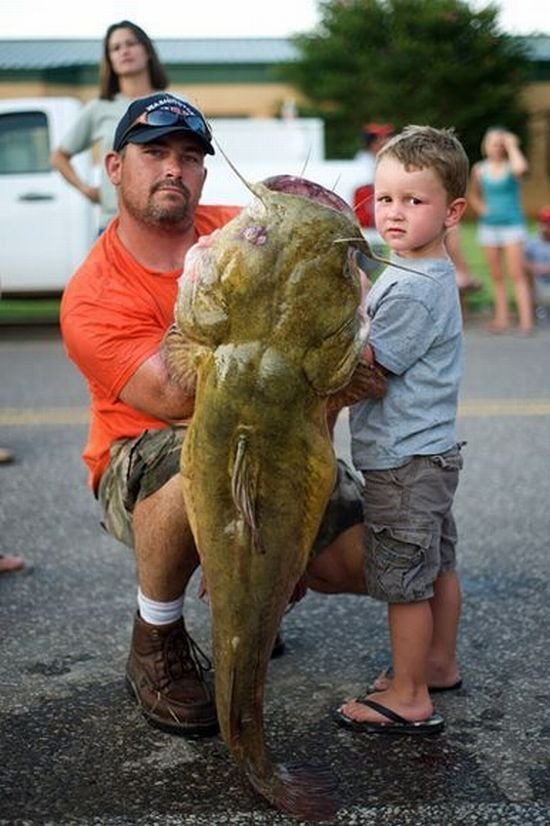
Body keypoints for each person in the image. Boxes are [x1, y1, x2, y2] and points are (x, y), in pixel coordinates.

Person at [60, 92, 370, 739]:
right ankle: (156, 636)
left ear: (204, 172)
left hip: (279, 436)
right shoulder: (93, 293)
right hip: (145, 455)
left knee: (369, 560)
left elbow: (332, 341)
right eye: (155, 153)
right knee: (193, 475)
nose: (174, 168)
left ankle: (252, 603)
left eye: (190, 156)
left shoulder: (242, 228)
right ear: (114, 167)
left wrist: (290, 527)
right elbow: (179, 398)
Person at [331, 125, 468, 735]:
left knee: (404, 582)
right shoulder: (415, 270)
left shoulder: (415, 288)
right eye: (385, 198)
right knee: (436, 565)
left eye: (415, 201)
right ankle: (437, 663)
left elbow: (373, 369)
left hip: (403, 462)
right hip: (429, 456)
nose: (394, 212)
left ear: (452, 211)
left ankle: (410, 694)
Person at [51, 20, 168, 233]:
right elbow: (59, 156)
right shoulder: (99, 108)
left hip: (165, 226)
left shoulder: (171, 104)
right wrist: (87, 190)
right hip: (114, 226)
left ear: (147, 51)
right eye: (116, 48)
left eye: (131, 44)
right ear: (110, 60)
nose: (124, 51)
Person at [468, 127, 533, 334]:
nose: (496, 147)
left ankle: (526, 321)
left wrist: (513, 145)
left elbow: (521, 168)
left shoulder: (511, 166)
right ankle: (501, 319)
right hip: (489, 228)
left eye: (499, 143)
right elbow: (473, 194)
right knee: (496, 275)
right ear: (485, 146)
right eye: (492, 143)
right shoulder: (479, 169)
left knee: (517, 274)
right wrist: (481, 209)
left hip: (512, 226)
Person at [353, 123, 395, 257]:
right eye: (384, 137)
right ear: (374, 143)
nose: (389, 141)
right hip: (366, 232)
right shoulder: (363, 168)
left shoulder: (376, 163)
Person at [524, 205, 550, 323]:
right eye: (544, 222)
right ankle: (536, 310)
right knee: (524, 276)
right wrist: (535, 268)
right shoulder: (532, 241)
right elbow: (523, 262)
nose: (546, 227)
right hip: (538, 283)